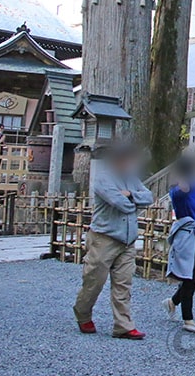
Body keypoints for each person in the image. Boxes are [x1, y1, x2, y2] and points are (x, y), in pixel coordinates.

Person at [73, 142, 153, 339]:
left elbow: (149, 197)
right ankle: (83, 313)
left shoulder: (131, 179)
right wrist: (134, 199)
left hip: (127, 240)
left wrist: (131, 194)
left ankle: (123, 325)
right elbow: (121, 204)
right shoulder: (103, 179)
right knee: (94, 282)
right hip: (104, 238)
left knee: (123, 284)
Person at [163, 154, 195, 334]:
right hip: (186, 234)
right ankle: (188, 318)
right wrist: (181, 178)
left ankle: (173, 302)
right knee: (189, 276)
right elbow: (181, 190)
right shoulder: (178, 188)